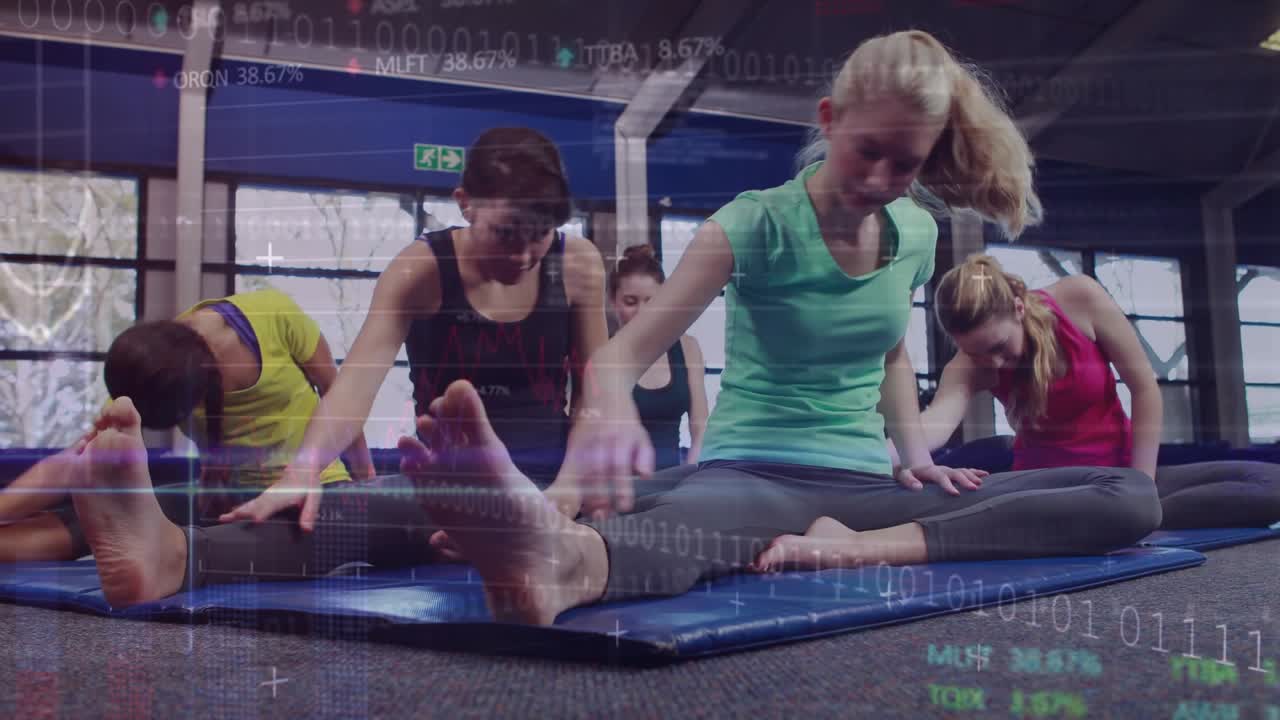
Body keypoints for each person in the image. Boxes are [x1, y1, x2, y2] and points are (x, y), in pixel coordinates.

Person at [403, 30, 1163, 626]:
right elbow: (619, 358)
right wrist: (593, 446)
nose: (880, 181)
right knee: (688, 527)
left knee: (1127, 497)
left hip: (869, 492)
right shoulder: (752, 224)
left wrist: (915, 456)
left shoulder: (917, 233)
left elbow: (892, 354)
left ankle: (855, 550)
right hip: (751, 473)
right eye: (867, 152)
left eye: (904, 166)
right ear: (830, 120)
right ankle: (554, 563)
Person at [68, 126, 610, 607]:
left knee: (636, 508)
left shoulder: (578, 263)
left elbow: (595, 393)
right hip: (455, 488)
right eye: (507, 234)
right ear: (465, 204)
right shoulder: (419, 271)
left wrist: (566, 491)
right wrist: (302, 472)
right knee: (327, 512)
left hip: (552, 483)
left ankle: (538, 539)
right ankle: (174, 558)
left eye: (540, 234)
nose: (525, 256)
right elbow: (353, 388)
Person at [0, 288, 373, 563]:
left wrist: (367, 482)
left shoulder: (272, 315)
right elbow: (76, 460)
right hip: (223, 500)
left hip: (310, 490)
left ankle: (175, 555)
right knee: (103, 517)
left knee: (249, 537)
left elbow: (341, 394)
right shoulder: (150, 369)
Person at [915, 253, 1280, 529]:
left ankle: (1120, 519)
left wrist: (1142, 485)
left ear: (1018, 308)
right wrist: (887, 452)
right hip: (1049, 490)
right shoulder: (968, 366)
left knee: (1271, 484)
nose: (993, 362)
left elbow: (1144, 388)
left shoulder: (1079, 298)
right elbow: (935, 423)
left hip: (1121, 475)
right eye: (977, 352)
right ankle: (1097, 521)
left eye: (998, 346)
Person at [609, 244, 709, 470]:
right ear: (613, 301)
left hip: (674, 481)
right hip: (619, 482)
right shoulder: (602, 354)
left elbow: (700, 428)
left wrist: (690, 478)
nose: (642, 312)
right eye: (630, 302)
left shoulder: (688, 348)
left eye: (651, 302)